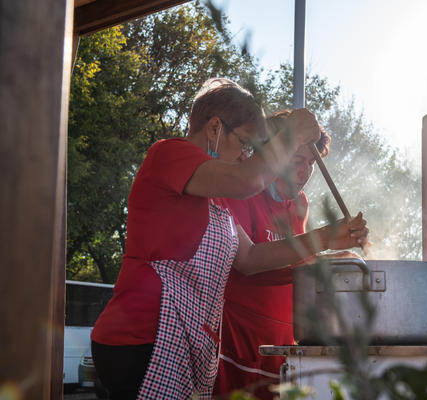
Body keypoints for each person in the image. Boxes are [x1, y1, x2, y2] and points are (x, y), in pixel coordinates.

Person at [90, 79, 369, 400]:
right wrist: (290, 133)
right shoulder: (169, 154)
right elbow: (246, 180)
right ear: (214, 129)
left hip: (180, 341)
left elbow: (250, 259)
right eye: (245, 144)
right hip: (139, 337)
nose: (245, 156)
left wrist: (325, 239)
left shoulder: (214, 198)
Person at [214, 110, 357, 399]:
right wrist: (323, 239)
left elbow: (294, 261)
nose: (304, 172)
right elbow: (248, 263)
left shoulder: (300, 203)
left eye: (311, 163)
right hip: (238, 341)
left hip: (285, 343)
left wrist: (334, 260)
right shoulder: (241, 189)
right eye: (297, 161)